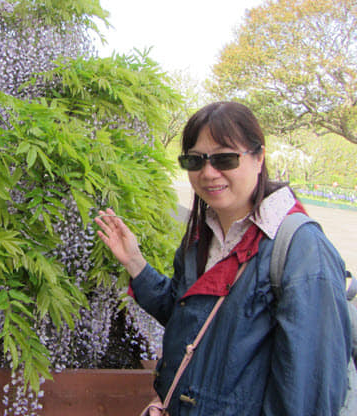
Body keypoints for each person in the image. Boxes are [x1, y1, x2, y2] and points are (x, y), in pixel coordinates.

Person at [95, 101, 351, 415]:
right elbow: (188, 317)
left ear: (259, 158)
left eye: (224, 158)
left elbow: (309, 390)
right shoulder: (203, 237)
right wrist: (135, 262)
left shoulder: (301, 249)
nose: (208, 173)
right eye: (194, 160)